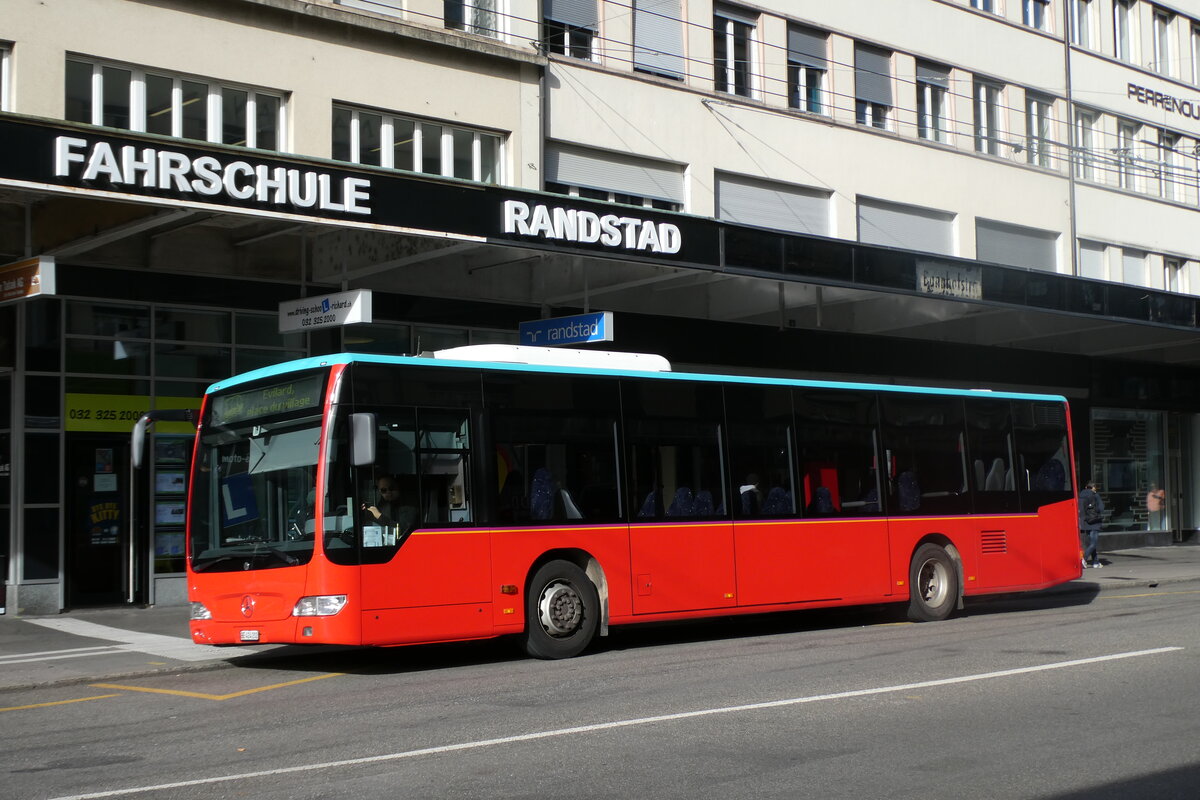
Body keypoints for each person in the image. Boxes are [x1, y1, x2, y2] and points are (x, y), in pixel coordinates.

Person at [362, 474, 417, 538]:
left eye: (391, 488)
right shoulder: (383, 505)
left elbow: (404, 530)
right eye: (384, 490)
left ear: (397, 487)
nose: (388, 492)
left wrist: (379, 516)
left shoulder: (409, 504)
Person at [1078, 480, 1104, 568]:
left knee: (1092, 543)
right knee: (1093, 543)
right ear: (1093, 488)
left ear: (1086, 487)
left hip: (1085, 523)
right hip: (1094, 522)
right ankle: (1083, 559)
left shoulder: (1080, 496)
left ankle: (1095, 562)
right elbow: (1101, 508)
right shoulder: (1095, 495)